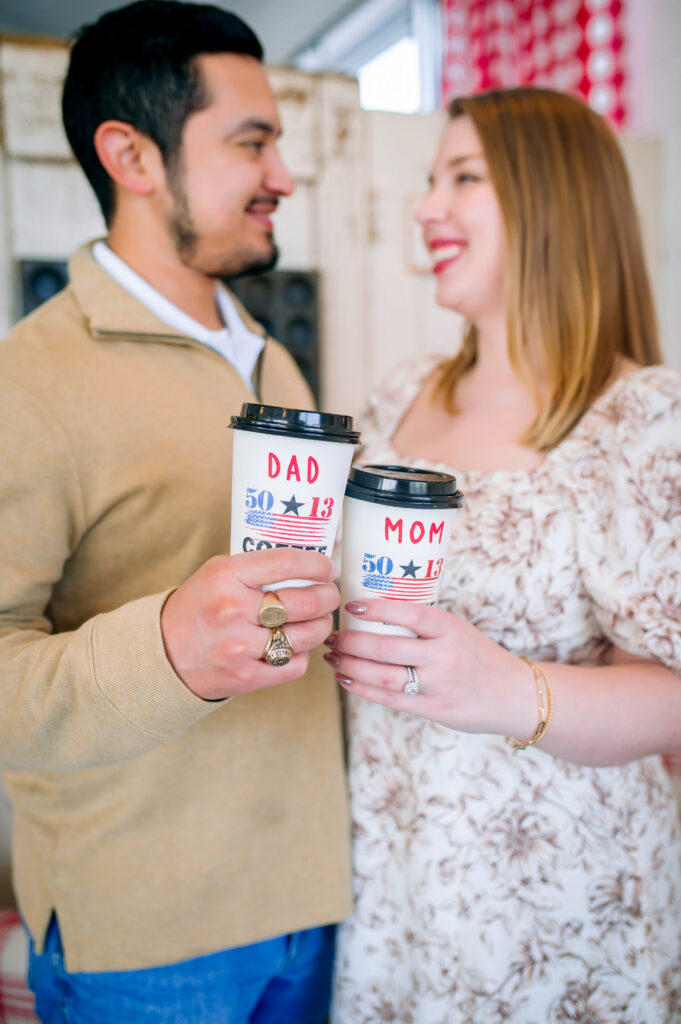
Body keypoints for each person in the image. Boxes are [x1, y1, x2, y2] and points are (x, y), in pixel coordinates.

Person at [0, 2, 352, 1021]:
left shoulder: (276, 361)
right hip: (146, 943)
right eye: (253, 142)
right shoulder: (30, 383)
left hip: (313, 903)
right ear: (132, 156)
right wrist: (166, 645)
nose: (282, 175)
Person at [326, 87, 681, 1022]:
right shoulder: (395, 398)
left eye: (463, 178)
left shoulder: (640, 417)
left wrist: (501, 689)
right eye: (428, 179)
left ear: (552, 199)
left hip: (562, 909)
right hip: (393, 888)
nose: (424, 207)